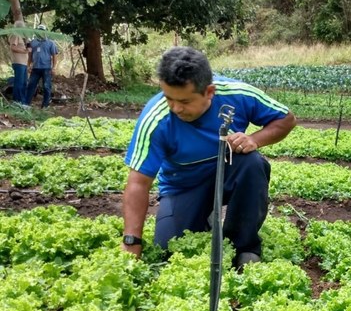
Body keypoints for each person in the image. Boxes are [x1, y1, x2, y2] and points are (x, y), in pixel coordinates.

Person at [122, 46, 297, 269]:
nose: (175, 108)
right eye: (169, 99)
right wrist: (131, 241)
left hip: (227, 172)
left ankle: (244, 247)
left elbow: (286, 119)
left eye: (184, 102)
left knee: (253, 163)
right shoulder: (156, 118)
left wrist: (255, 139)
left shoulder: (237, 94)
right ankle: (203, 216)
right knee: (168, 248)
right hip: (183, 187)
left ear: (209, 92)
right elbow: (138, 183)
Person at [24, 24, 59, 108]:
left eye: (42, 31)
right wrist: (28, 65)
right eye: (39, 31)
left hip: (46, 68)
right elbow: (30, 55)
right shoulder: (33, 42)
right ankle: (26, 104)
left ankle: (45, 105)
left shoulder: (51, 43)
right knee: (31, 85)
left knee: (47, 86)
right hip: (35, 68)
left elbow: (54, 56)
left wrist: (54, 67)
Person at [8, 20, 28, 103]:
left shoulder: (20, 36)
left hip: (24, 63)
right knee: (19, 83)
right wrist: (24, 51)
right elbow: (13, 47)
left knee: (23, 82)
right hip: (19, 62)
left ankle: (22, 101)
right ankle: (17, 101)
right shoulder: (15, 35)